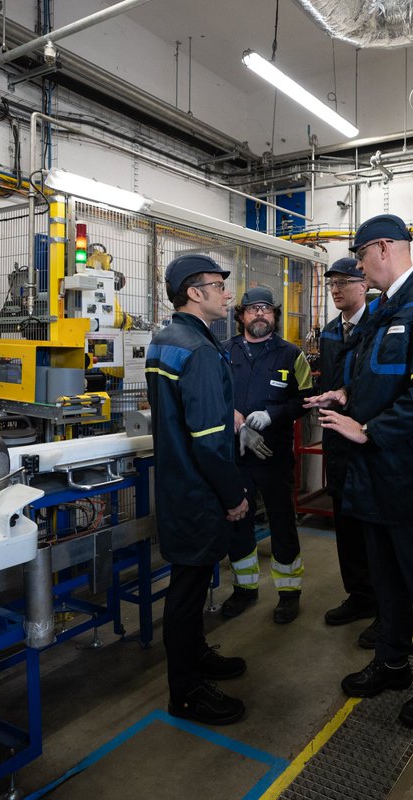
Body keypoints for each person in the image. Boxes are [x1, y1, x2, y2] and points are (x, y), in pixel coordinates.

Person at [305, 213, 413, 731]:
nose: (356, 268)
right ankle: (394, 662)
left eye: (358, 258)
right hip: (375, 473)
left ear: (381, 248)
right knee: (386, 578)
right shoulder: (385, 309)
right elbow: (382, 381)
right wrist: (347, 395)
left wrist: (367, 430)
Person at [146, 253, 250, 726]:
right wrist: (234, 497)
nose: (228, 294)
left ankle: (196, 657)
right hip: (199, 490)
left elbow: (181, 415)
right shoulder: (202, 350)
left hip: (175, 484)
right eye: (218, 284)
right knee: (187, 593)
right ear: (195, 292)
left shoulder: (165, 341)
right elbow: (210, 445)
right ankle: (185, 691)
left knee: (188, 585)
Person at [220, 286, 314, 624]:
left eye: (266, 309)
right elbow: (213, 394)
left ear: (274, 315)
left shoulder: (291, 355)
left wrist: (273, 415)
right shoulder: (223, 352)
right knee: (238, 521)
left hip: (273, 456)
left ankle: (289, 593)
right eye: (252, 309)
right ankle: (245, 589)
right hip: (236, 456)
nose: (260, 314)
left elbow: (306, 400)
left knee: (282, 521)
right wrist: (233, 417)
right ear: (241, 315)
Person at [317, 256, 380, 648]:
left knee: (374, 527)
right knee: (345, 523)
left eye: (344, 281)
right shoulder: (328, 332)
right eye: (332, 284)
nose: (337, 289)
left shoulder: (379, 326)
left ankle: (385, 604)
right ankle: (359, 596)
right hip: (337, 441)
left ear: (364, 285)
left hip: (369, 438)